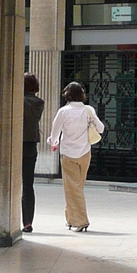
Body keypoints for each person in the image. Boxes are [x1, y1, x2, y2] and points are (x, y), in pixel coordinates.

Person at [47, 81, 105, 232]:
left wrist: (53, 142)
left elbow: (55, 132)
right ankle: (71, 218)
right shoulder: (88, 110)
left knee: (72, 187)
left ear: (67, 95)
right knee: (76, 187)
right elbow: (101, 128)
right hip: (85, 153)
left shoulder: (63, 112)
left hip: (68, 153)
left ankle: (81, 221)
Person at [21, 72, 44, 234]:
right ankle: (28, 222)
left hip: (16, 145)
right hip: (30, 146)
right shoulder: (39, 103)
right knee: (28, 185)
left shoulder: (18, 101)